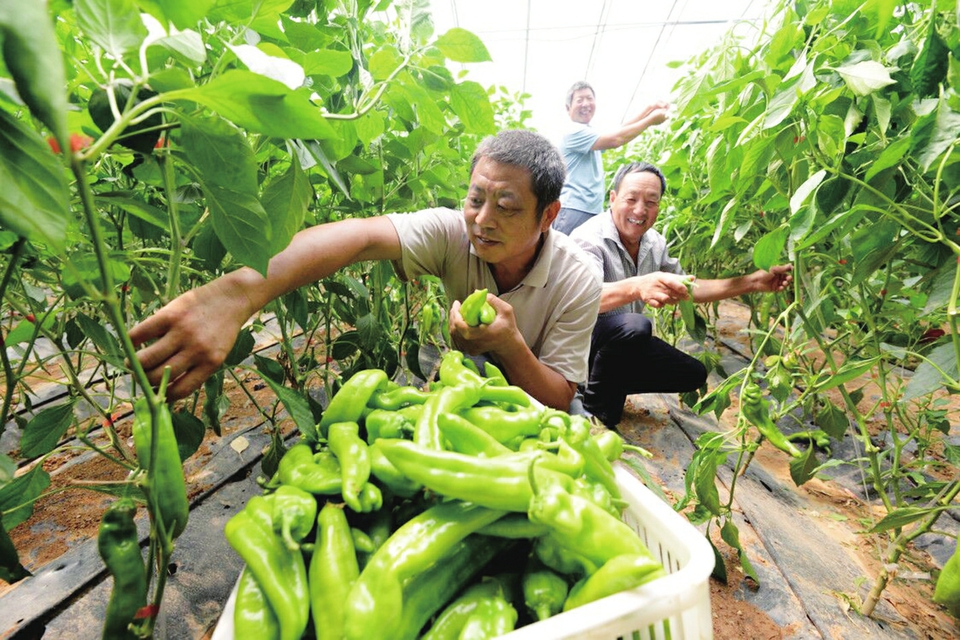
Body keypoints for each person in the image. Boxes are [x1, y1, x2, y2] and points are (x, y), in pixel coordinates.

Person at [129, 130, 602, 412]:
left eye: (506, 206)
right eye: (476, 199)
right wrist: (236, 294)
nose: (482, 220)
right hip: (471, 375)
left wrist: (507, 343)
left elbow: (559, 397)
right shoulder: (454, 232)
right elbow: (358, 237)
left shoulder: (578, 276)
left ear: (549, 216)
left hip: (537, 394)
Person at [569, 161, 793, 428]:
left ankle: (600, 384)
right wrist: (638, 286)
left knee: (691, 373)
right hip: (579, 343)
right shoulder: (589, 238)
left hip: (616, 347)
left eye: (651, 202)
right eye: (631, 199)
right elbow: (580, 299)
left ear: (659, 207)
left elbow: (689, 288)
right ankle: (594, 412)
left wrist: (753, 282)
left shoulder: (654, 243)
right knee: (636, 326)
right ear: (614, 198)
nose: (640, 210)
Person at [552, 80, 670, 235]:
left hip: (588, 209)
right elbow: (616, 139)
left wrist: (649, 109)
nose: (586, 104)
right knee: (566, 256)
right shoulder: (573, 131)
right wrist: (650, 120)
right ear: (568, 108)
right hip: (574, 208)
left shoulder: (588, 133)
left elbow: (619, 130)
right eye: (579, 100)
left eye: (589, 98)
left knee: (584, 256)